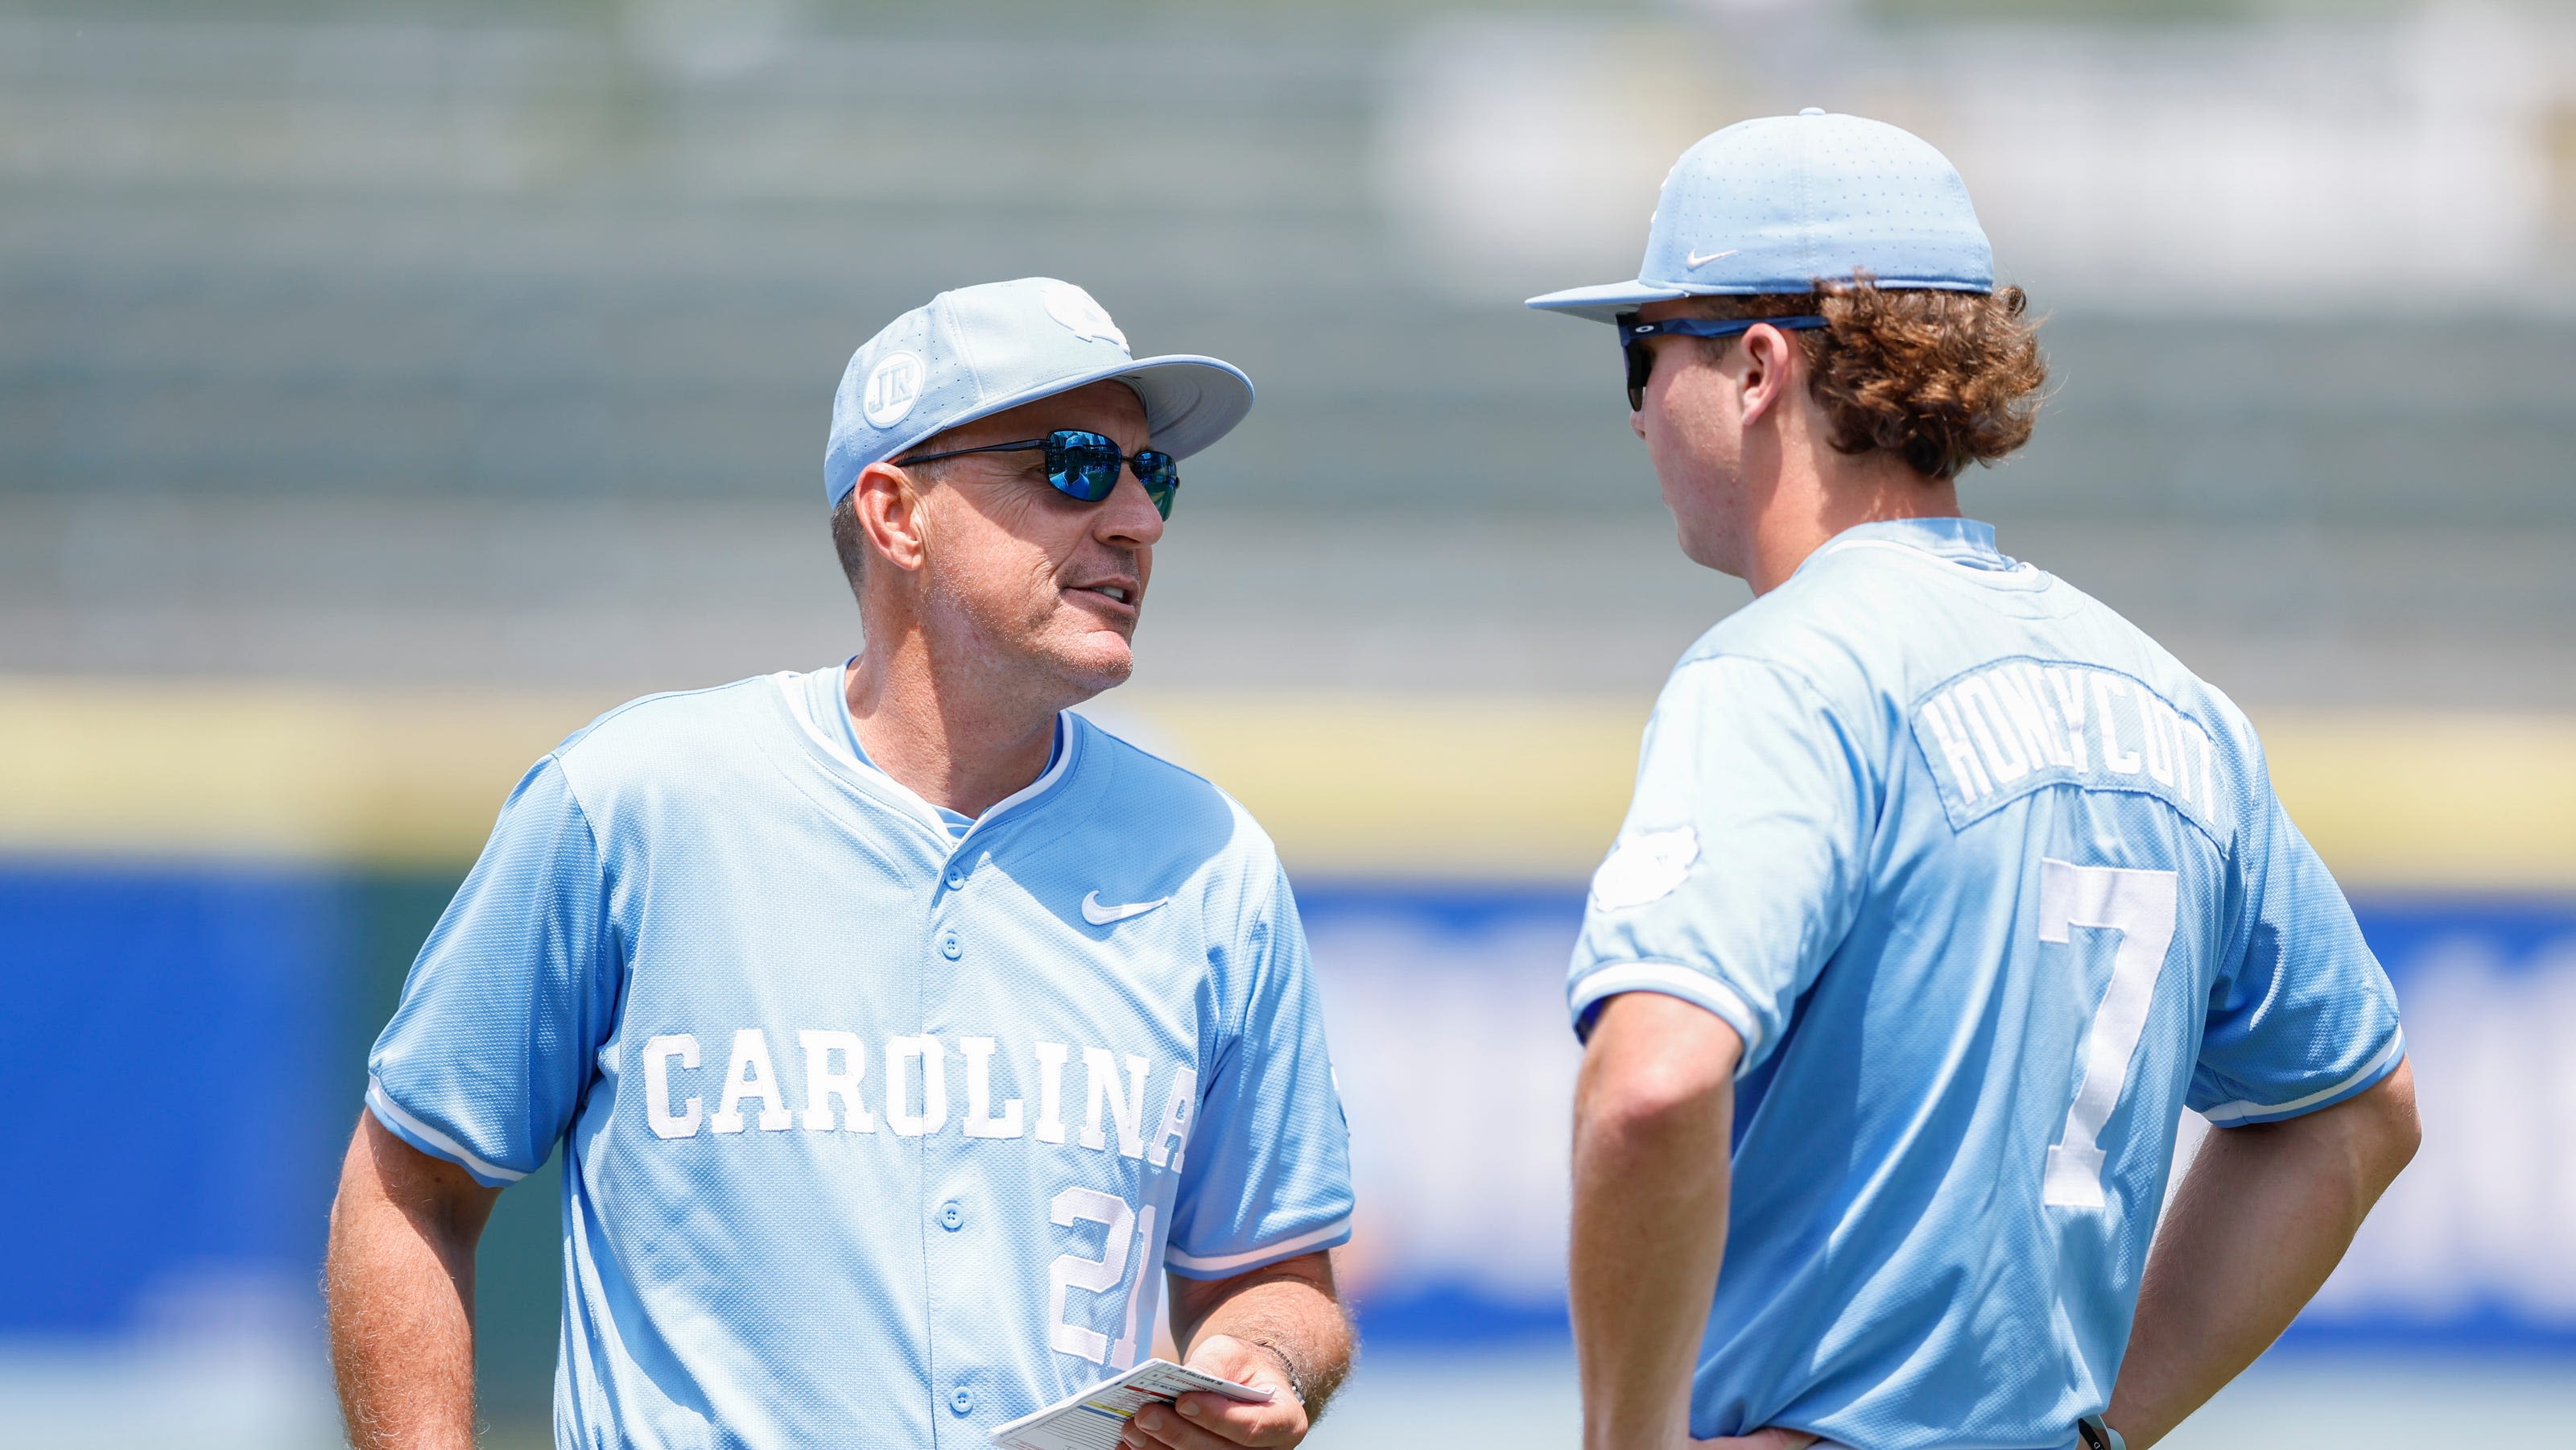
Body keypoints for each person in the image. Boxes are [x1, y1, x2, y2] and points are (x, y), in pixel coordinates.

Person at [324, 277, 1355, 1450]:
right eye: (1076, 464)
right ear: (895, 512)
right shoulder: (634, 803)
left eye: (1150, 473)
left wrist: (1264, 1358)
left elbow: (1277, 1272)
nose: (1138, 519)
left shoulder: (1212, 861)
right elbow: (409, 1182)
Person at [1527, 112, 2420, 1450]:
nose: (1645, 401)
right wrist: (2108, 1427)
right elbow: (2356, 1116)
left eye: (1646, 350)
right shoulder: (2174, 704)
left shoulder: (1784, 675)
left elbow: (1652, 1086)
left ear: (1760, 367)